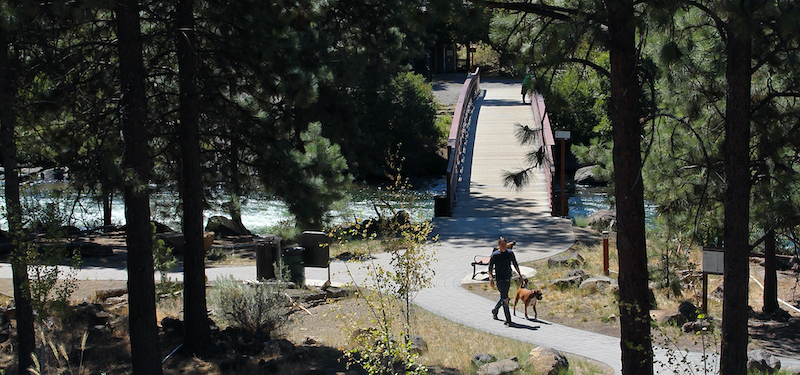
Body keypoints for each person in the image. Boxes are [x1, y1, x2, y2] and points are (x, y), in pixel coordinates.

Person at [488, 237, 524, 326]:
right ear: (499, 245)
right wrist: (491, 278)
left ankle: (495, 310)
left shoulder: (510, 253)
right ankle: (508, 320)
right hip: (499, 279)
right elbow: (490, 267)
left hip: (508, 277)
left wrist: (520, 275)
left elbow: (515, 264)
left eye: (505, 244)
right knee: (505, 298)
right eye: (502, 244)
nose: (504, 246)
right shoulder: (495, 255)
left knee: (504, 297)